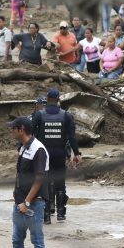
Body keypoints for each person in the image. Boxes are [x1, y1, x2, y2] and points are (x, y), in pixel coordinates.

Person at [2, 116, 48, 248]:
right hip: (20, 202)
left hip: (33, 204)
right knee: (17, 240)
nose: (11, 131)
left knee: (37, 240)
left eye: (13, 128)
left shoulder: (38, 150)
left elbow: (39, 180)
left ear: (21, 129)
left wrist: (27, 203)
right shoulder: (22, 147)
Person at [32, 88, 81, 224]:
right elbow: (72, 137)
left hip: (44, 154)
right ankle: (60, 213)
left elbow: (31, 135)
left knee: (45, 183)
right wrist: (77, 153)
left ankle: (46, 216)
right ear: (58, 99)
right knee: (60, 183)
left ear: (47, 99)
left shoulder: (39, 115)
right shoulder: (66, 116)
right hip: (60, 153)